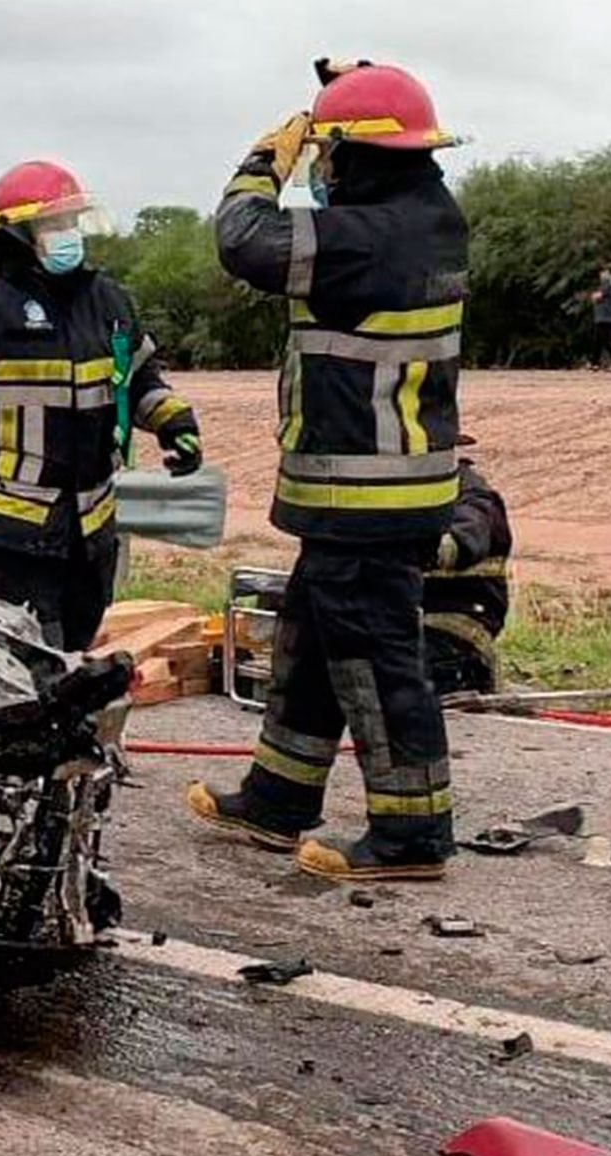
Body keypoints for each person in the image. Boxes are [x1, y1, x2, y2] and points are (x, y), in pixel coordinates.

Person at [188, 59, 468, 882]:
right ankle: (280, 799)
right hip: (363, 495)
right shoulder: (423, 218)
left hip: (368, 500)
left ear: (361, 156)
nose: (323, 168)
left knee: (378, 665)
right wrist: (356, 88)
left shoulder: (368, 236)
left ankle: (412, 836)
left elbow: (246, 240)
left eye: (330, 153)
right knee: (309, 647)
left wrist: (259, 164)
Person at [0, 161, 203, 651]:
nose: (69, 235)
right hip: (6, 531)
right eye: (54, 226)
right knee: (25, 666)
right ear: (17, 236)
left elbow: (136, 378)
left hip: (87, 528)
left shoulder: (109, 300)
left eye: (72, 223)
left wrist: (172, 421)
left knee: (72, 657)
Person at [424, 447, 511, 696]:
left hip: (454, 630)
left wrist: (407, 549)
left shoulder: (471, 492)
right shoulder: (390, 488)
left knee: (404, 681)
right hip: (394, 627)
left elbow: (468, 538)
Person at [590, 264, 611, 370]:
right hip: (601, 317)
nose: (602, 275)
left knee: (606, 341)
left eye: (605, 272)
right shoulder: (604, 285)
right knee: (597, 341)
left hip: (607, 318)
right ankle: (595, 363)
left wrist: (595, 296)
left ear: (610, 274)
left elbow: (596, 296)